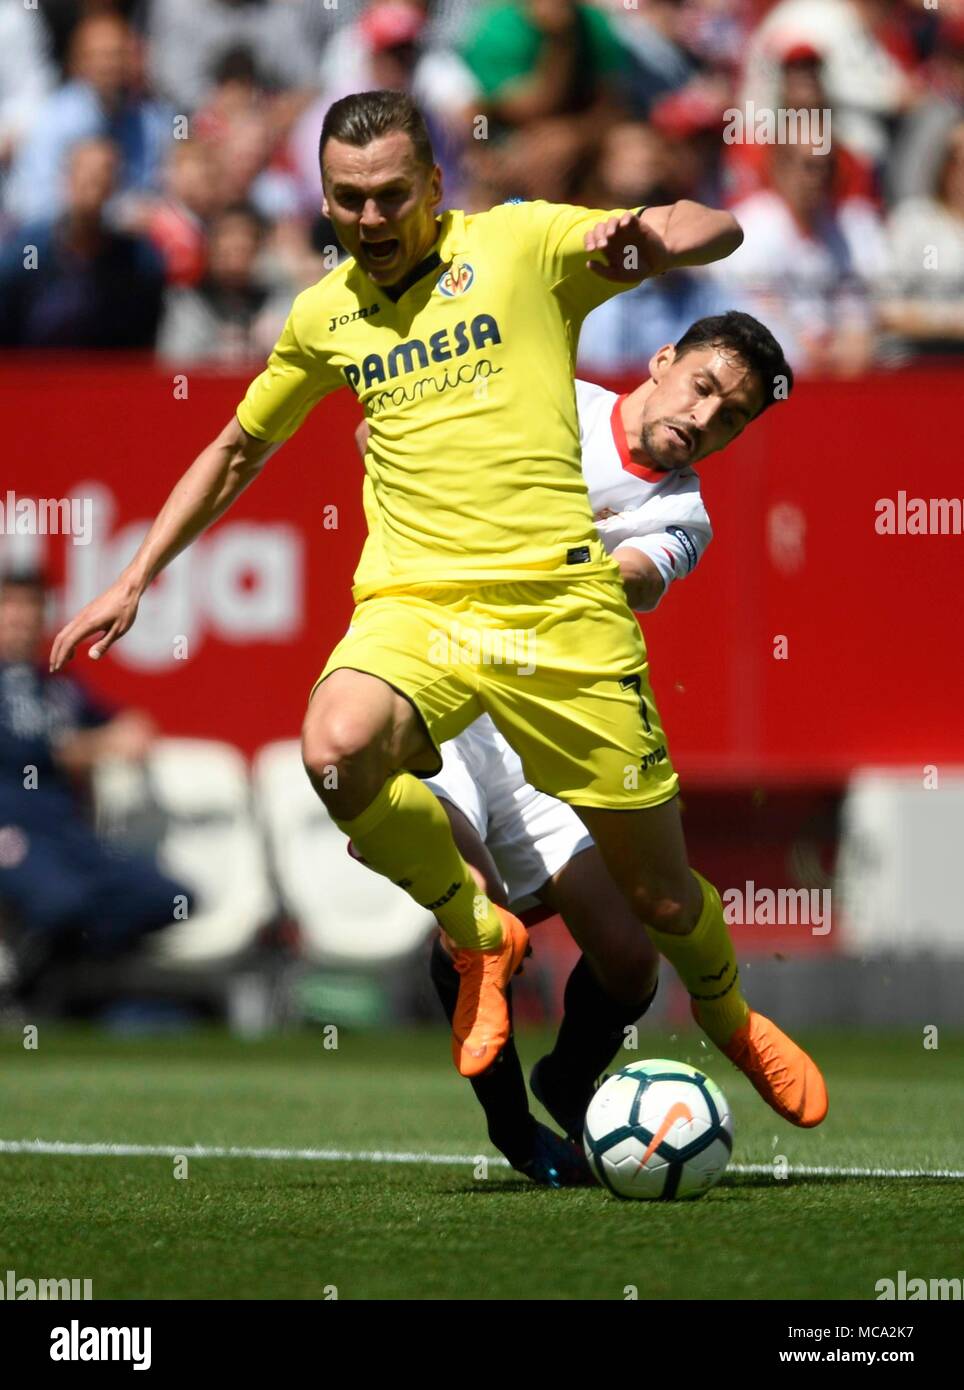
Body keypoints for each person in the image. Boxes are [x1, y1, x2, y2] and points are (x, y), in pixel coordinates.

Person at [51, 91, 827, 1141]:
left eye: (388, 196)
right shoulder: (325, 312)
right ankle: (479, 943)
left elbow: (709, 230)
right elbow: (237, 446)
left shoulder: (521, 247)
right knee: (334, 748)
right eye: (345, 199)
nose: (367, 219)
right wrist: (137, 572)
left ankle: (730, 1017)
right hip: (421, 608)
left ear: (434, 186)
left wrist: (645, 231)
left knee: (655, 908)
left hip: (560, 621)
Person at [355, 311, 794, 1184]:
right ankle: (519, 1136)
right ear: (663, 362)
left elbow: (632, 577)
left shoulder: (682, 513)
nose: (707, 418)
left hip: (541, 729)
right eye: (704, 387)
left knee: (632, 960)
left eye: (733, 416)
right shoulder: (547, 398)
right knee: (479, 921)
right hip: (437, 690)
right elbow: (382, 424)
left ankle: (571, 1082)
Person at [0, 572, 186, 997]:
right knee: (61, 903)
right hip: (11, 834)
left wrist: (108, 739)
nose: (21, 619)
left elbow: (133, 729)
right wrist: (85, 747)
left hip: (69, 834)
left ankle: (79, 986)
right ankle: (35, 993)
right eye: (10, 607)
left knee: (168, 897)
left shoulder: (59, 686)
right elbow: (45, 748)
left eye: (31, 608)